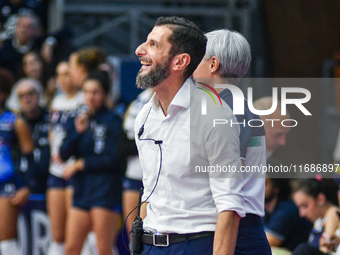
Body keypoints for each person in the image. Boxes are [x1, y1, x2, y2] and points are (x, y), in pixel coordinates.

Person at [134, 16, 244, 255]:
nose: (139, 50)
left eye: (154, 45)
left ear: (180, 61)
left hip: (195, 245)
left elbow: (230, 206)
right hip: (150, 245)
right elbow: (149, 189)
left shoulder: (215, 116)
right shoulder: (144, 116)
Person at [193, 29, 271, 254]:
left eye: (198, 58)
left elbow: (230, 175)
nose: (191, 68)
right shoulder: (220, 106)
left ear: (213, 64)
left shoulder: (233, 109)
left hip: (238, 231)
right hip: (229, 226)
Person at [60, 70, 123, 255]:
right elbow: (63, 154)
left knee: (103, 249)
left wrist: (81, 164)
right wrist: (77, 132)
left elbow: (113, 159)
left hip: (105, 190)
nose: (90, 97)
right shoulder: (79, 119)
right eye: (86, 92)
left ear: (104, 94)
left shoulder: (113, 120)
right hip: (82, 190)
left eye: (95, 92)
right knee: (71, 248)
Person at [47, 61, 84, 255]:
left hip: (74, 169)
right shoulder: (56, 101)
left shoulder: (83, 100)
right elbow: (52, 133)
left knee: (75, 235)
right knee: (57, 235)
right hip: (56, 169)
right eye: (58, 75)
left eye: (66, 74)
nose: (62, 79)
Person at [0, 68, 35, 255]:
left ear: (3, 94)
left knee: (6, 244)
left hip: (6, 186)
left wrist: (27, 186)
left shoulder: (14, 121)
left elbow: (29, 157)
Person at [122, 88, 153, 237]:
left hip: (153, 177)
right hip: (133, 173)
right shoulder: (139, 99)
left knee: (150, 234)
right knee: (133, 238)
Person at [16, 78, 49, 195]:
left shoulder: (51, 118)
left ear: (39, 95)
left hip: (49, 181)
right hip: (21, 184)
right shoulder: (14, 124)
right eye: (21, 96)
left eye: (30, 94)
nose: (27, 99)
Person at [292, 178, 340, 255]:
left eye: (305, 206)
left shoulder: (332, 212)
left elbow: (325, 250)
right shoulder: (318, 221)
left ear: (321, 199)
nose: (302, 214)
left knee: (303, 249)